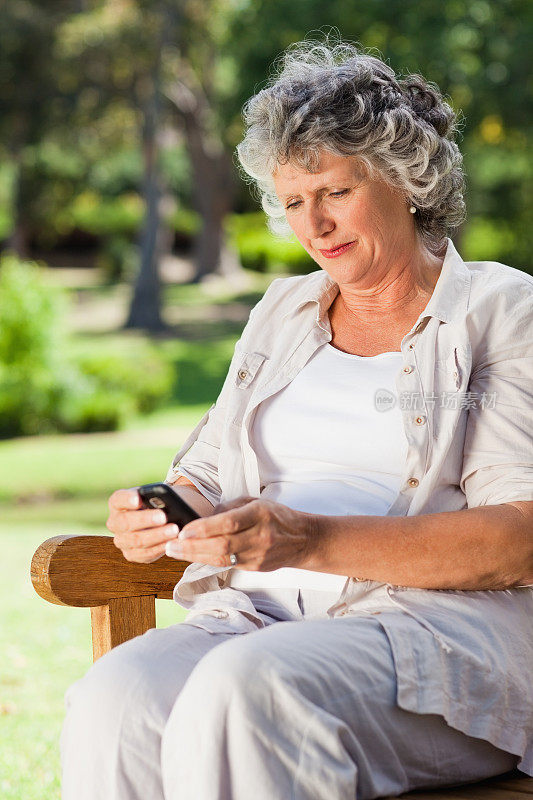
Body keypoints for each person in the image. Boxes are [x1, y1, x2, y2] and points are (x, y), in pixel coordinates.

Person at [60, 40, 533, 800]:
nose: (312, 225)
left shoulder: (501, 312)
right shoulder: (282, 309)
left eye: (333, 192)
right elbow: (208, 471)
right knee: (116, 698)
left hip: (429, 638)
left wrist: (306, 540)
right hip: (254, 615)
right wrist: (165, 514)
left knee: (249, 689)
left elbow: (518, 539)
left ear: (405, 178)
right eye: (290, 202)